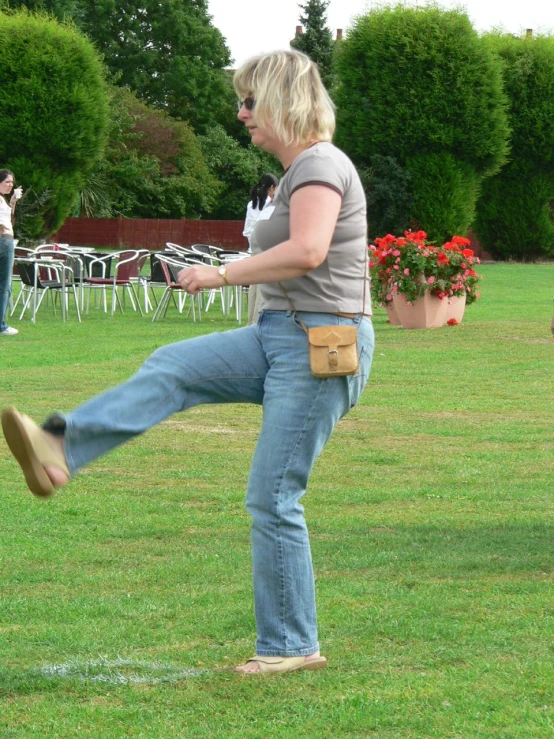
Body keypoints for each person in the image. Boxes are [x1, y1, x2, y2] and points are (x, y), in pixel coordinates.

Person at [1, 50, 375, 675]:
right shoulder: (295, 171)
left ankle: (292, 647)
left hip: (321, 345)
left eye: (251, 100)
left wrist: (218, 274)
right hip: (277, 335)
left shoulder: (320, 164)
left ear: (283, 98)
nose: (241, 113)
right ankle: (60, 450)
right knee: (173, 364)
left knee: (273, 494)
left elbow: (309, 250)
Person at [243, 172, 279, 324]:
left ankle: (250, 320)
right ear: (271, 188)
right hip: (266, 249)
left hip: (253, 248)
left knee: (254, 287)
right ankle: (258, 321)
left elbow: (247, 230)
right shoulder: (272, 204)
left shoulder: (251, 204)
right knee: (262, 289)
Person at [0, 169, 21, 336]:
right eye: (7, 181)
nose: (11, 185)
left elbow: (10, 221)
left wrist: (13, 201)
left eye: (12, 182)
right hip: (4, 242)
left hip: (7, 240)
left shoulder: (3, 200)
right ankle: (1, 325)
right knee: (5, 284)